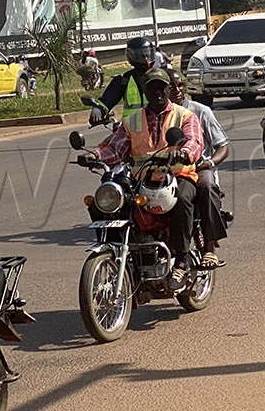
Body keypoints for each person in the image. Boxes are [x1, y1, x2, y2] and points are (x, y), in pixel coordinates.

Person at [78, 68, 204, 290]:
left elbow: (194, 141)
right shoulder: (133, 121)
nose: (157, 92)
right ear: (146, 91)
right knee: (107, 202)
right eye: (152, 87)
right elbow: (116, 149)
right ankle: (118, 255)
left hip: (178, 175)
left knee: (183, 200)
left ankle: (182, 260)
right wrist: (94, 155)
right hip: (141, 179)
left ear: (168, 89)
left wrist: (184, 152)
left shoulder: (184, 116)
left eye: (161, 87)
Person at [167, 69, 229, 270]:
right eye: (171, 86)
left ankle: (210, 249)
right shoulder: (156, 114)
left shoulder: (201, 111)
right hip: (166, 171)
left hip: (197, 167)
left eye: (180, 85)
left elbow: (223, 146)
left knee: (207, 185)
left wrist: (209, 162)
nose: (177, 90)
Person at [89, 36, 156, 124]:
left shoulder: (162, 77)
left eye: (148, 55)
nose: (145, 59)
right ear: (132, 56)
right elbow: (107, 100)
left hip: (158, 127)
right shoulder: (124, 80)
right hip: (130, 131)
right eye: (141, 56)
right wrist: (98, 109)